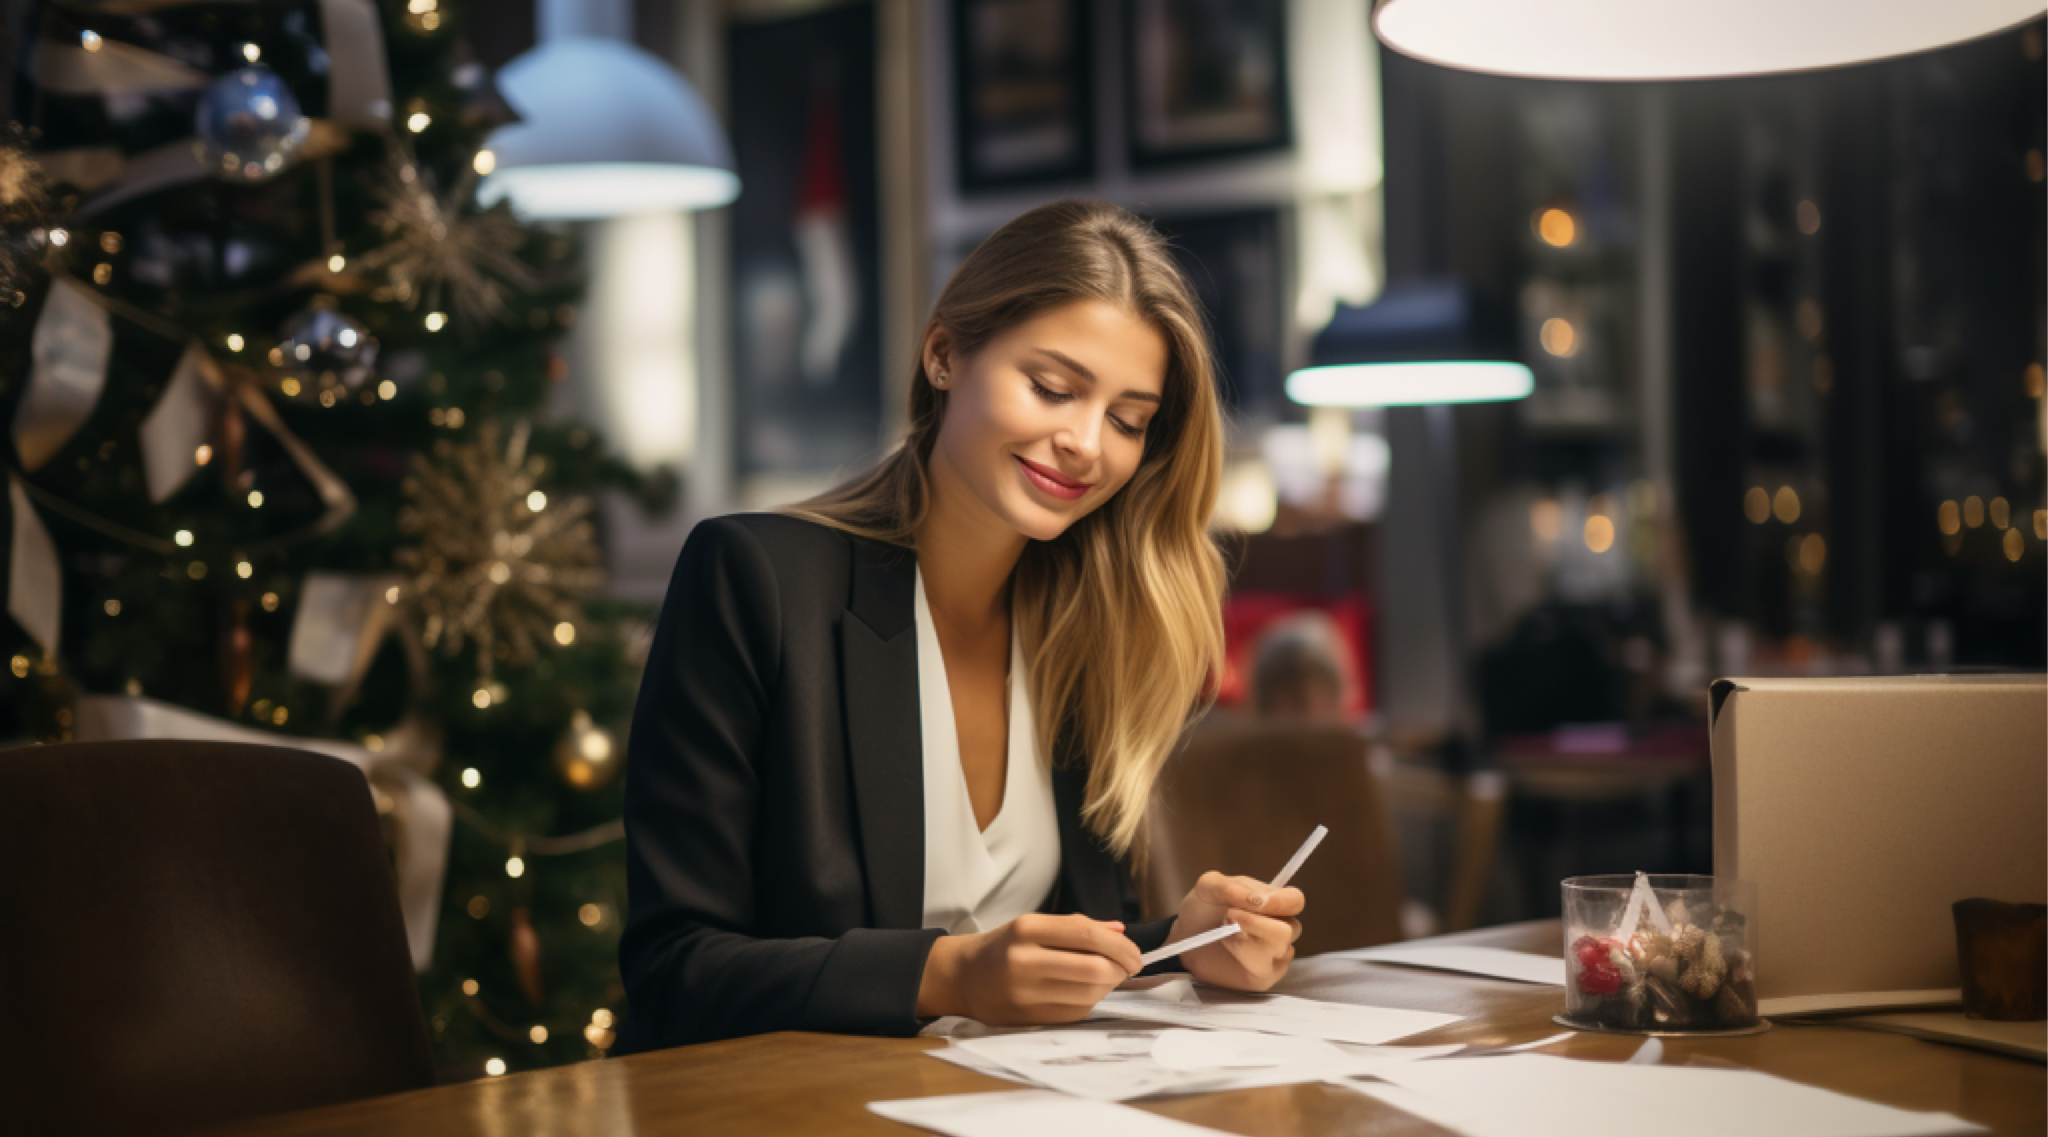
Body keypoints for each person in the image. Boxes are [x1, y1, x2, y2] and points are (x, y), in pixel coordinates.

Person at [619, 199, 1307, 1051]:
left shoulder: (1089, 628)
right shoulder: (753, 578)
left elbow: (1054, 955)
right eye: (1052, 388)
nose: (1087, 443)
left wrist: (1180, 946)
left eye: (1128, 421)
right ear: (944, 355)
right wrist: (945, 973)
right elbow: (671, 969)